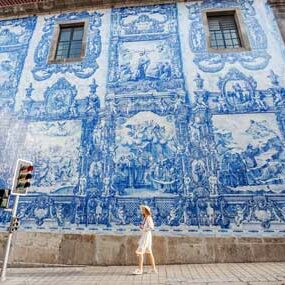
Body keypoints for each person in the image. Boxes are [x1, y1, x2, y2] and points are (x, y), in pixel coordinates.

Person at [133, 205, 157, 275]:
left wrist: (144, 229)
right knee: (149, 252)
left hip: (146, 236)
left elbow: (152, 227)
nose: (141, 210)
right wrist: (142, 227)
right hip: (145, 236)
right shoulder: (145, 218)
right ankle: (153, 269)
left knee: (140, 251)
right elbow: (145, 226)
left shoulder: (149, 218)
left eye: (143, 209)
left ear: (146, 210)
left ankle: (140, 269)